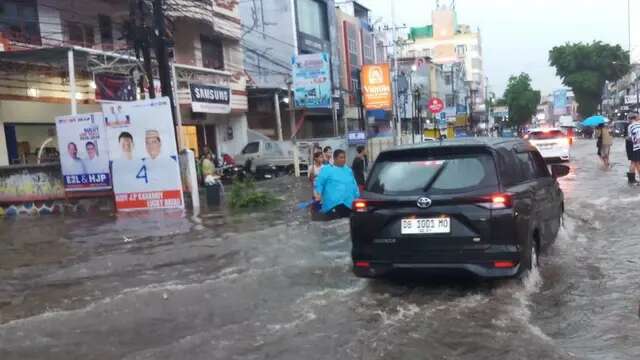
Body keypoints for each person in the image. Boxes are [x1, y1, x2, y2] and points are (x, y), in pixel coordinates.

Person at [314, 149, 360, 219]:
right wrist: (318, 194)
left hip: (348, 203)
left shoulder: (348, 170)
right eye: (341, 157)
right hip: (333, 204)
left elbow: (354, 184)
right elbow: (319, 183)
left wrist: (357, 196)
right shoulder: (327, 169)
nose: (343, 159)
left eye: (344, 157)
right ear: (335, 158)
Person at [628, 114, 640, 185]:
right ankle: (631, 180)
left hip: (635, 146)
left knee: (635, 162)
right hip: (638, 146)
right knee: (634, 162)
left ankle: (631, 180)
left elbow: (630, 137)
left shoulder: (630, 126)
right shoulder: (639, 124)